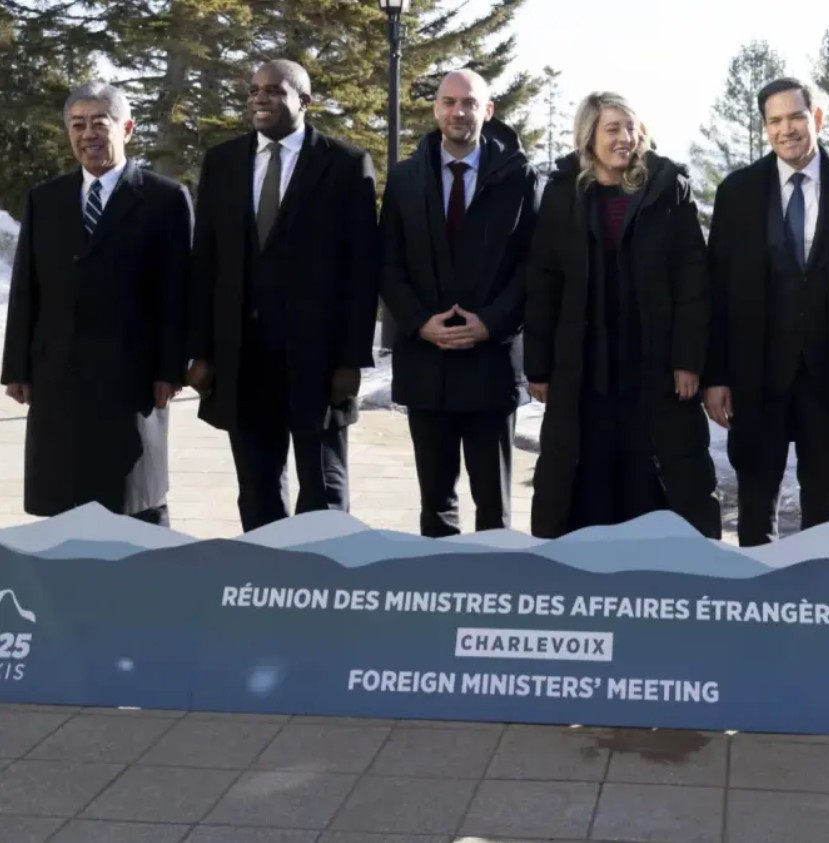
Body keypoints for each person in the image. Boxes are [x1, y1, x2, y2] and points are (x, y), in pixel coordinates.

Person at [702, 77, 829, 546]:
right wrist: (715, 375)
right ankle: (757, 595)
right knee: (756, 498)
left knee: (822, 501)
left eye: (796, 117)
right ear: (765, 128)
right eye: (775, 120)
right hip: (757, 372)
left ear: (817, 118)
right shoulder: (737, 192)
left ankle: (819, 592)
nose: (787, 129)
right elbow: (716, 290)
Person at [186, 59, 379, 531]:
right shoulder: (223, 162)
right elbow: (205, 262)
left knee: (324, 492)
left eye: (273, 90)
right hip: (242, 360)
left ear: (304, 101)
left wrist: (351, 359)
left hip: (316, 363)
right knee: (257, 490)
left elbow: (362, 271)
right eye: (254, 91)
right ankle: (264, 585)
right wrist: (201, 350)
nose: (259, 99)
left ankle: (322, 590)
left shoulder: (345, 165)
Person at [524, 92, 721, 539]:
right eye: (613, 129)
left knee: (656, 483)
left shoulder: (667, 187)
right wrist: (538, 365)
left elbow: (693, 279)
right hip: (583, 371)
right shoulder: (561, 193)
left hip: (653, 368)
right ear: (589, 136)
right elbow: (543, 282)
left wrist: (689, 359)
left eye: (631, 128)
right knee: (582, 485)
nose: (625, 138)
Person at [1, 81, 192, 526]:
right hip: (58, 373)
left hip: (133, 374)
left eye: (99, 123)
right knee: (61, 494)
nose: (87, 133)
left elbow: (178, 292)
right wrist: (17, 369)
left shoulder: (164, 199)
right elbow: (28, 287)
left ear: (127, 128)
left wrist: (170, 368)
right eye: (77, 124)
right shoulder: (44, 198)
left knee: (134, 496)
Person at [379, 69, 540, 537]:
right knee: (436, 502)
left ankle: (495, 595)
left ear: (487, 112)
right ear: (436, 109)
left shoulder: (519, 178)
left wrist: (491, 323)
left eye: (469, 103)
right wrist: (417, 322)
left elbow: (533, 266)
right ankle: (439, 592)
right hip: (426, 362)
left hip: (490, 363)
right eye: (449, 102)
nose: (458, 112)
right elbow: (387, 263)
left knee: (494, 505)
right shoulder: (406, 178)